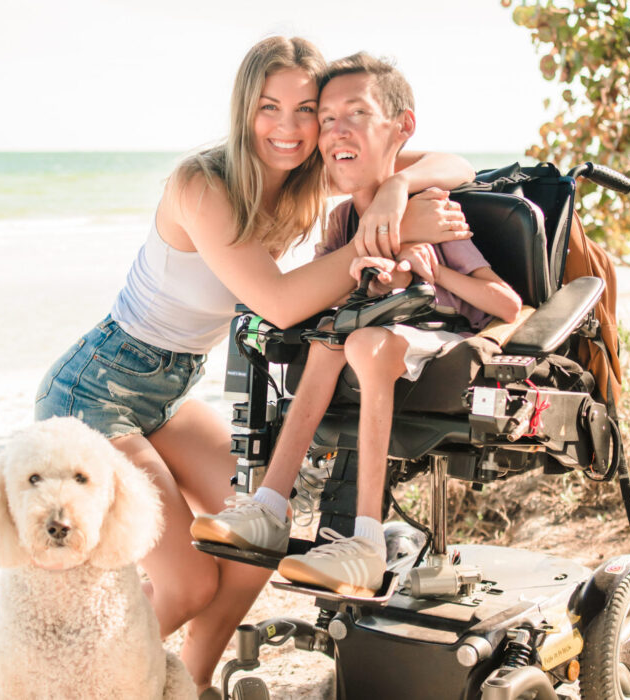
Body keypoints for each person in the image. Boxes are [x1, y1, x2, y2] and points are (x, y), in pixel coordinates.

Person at [35, 37, 474, 696]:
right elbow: (278, 302)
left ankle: (191, 683)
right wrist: (377, 233)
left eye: (308, 111)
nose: (291, 129)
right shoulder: (200, 184)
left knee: (257, 545)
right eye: (271, 108)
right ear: (246, 111)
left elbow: (457, 162)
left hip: (170, 393)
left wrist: (397, 193)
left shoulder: (305, 176)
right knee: (187, 584)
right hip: (96, 390)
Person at [191, 53, 522, 598]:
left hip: (439, 340)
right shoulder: (343, 218)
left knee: (364, 343)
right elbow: (330, 303)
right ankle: (272, 506)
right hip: (374, 338)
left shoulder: (429, 207)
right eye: (324, 118)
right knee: (329, 343)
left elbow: (506, 304)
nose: (335, 130)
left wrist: (436, 270)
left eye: (356, 114)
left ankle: (366, 543)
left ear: (400, 128)